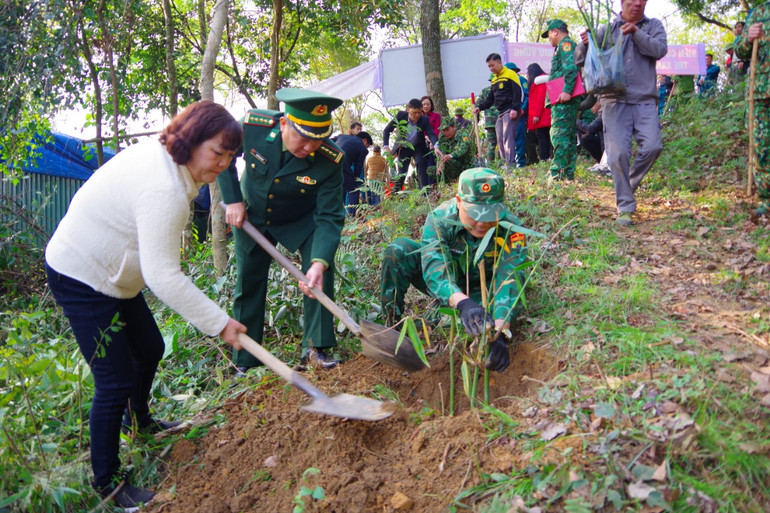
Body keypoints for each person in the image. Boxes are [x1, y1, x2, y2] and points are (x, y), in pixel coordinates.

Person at [45, 101, 247, 508]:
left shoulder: (169, 163)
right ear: (190, 140)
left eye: (230, 157)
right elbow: (163, 276)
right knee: (114, 379)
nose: (223, 164)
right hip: (81, 274)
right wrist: (221, 323)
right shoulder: (164, 189)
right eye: (217, 153)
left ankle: (140, 422)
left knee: (151, 347)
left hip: (114, 272)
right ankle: (108, 483)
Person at [218, 88, 346, 372]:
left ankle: (316, 349)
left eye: (318, 140)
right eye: (303, 138)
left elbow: (329, 216)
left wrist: (318, 262)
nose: (310, 148)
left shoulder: (331, 158)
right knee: (249, 283)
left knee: (318, 275)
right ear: (285, 123)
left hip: (302, 220)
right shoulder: (253, 126)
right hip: (251, 215)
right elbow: (222, 153)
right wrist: (233, 200)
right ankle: (245, 360)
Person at [379, 168, 529, 373]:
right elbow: (435, 269)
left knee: (470, 327)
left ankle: (440, 314)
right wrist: (462, 302)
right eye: (474, 214)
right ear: (459, 201)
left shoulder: (512, 229)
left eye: (490, 215)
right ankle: (392, 328)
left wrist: (500, 332)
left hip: (484, 292)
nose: (482, 223)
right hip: (448, 285)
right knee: (398, 250)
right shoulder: (440, 219)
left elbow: (509, 278)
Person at [575, 0, 667, 226]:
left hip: (644, 99)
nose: (636, 3)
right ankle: (625, 205)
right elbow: (580, 59)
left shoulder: (653, 25)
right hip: (613, 101)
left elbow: (659, 50)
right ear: (622, 2)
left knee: (653, 146)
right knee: (617, 155)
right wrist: (585, 44)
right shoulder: (606, 30)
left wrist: (636, 33)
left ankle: (628, 184)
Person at [734, 5, 770, 216]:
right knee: (761, 147)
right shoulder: (758, 13)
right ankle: (767, 198)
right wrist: (748, 38)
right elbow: (740, 50)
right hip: (760, 91)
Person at [542, 19, 580, 181]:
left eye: (549, 34)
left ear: (555, 31)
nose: (549, 38)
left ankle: (556, 174)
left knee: (559, 135)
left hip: (564, 99)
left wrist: (566, 91)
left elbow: (570, 68)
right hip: (564, 98)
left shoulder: (566, 45)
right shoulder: (566, 46)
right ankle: (567, 173)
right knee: (568, 136)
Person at [474, 53, 523, 167]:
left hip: (510, 110)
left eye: (493, 65)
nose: (491, 68)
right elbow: (490, 99)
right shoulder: (494, 79)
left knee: (507, 137)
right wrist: (479, 108)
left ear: (500, 62)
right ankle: (505, 162)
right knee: (500, 138)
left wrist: (515, 108)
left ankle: (511, 164)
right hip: (500, 112)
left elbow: (518, 93)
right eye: (489, 66)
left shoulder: (510, 74)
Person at [383, 98, 439, 190]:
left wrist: (436, 145)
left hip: (418, 147)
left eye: (419, 112)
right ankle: (395, 194)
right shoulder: (401, 115)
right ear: (408, 109)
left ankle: (424, 193)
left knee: (421, 165)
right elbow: (387, 130)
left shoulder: (424, 119)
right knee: (402, 172)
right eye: (414, 112)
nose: (417, 115)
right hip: (403, 147)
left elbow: (431, 133)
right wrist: (386, 146)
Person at [336, 130, 373, 215]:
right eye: (368, 146)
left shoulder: (341, 136)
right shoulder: (363, 149)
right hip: (342, 162)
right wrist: (355, 178)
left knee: (336, 188)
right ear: (364, 140)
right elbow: (358, 166)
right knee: (354, 190)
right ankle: (352, 217)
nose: (367, 148)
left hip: (328, 159)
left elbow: (328, 141)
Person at [428, 117, 474, 184]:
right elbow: (438, 144)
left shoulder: (463, 134)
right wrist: (436, 148)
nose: (446, 133)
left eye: (447, 130)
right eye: (444, 131)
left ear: (454, 127)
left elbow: (463, 148)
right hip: (450, 166)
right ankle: (449, 183)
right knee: (431, 170)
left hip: (464, 165)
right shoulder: (444, 138)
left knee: (449, 163)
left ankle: (458, 181)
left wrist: (450, 155)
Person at [526, 63, 553, 164]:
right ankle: (548, 157)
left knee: (543, 136)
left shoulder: (540, 81)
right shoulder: (544, 79)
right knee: (547, 136)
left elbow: (541, 98)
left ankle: (545, 158)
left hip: (543, 115)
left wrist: (536, 115)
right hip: (546, 113)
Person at [506, 62, 529, 167]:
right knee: (508, 139)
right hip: (508, 114)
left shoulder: (522, 80)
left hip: (519, 114)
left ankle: (520, 163)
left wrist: (523, 109)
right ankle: (510, 163)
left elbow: (527, 96)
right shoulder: (505, 82)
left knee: (519, 137)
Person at [477, 84, 500, 164]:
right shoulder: (501, 87)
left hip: (489, 121)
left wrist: (477, 119)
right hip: (500, 120)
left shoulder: (484, 91)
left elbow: (477, 105)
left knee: (491, 145)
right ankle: (501, 164)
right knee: (502, 144)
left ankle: (490, 164)